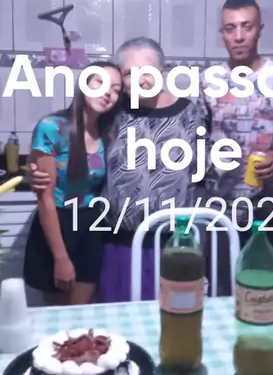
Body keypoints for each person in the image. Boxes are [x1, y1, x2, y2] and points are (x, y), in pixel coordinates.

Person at [29, 38, 209, 302]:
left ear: (163, 71)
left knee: (173, 312)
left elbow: (202, 175)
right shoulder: (113, 112)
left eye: (146, 71)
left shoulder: (191, 115)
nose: (139, 81)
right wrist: (33, 170)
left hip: (172, 242)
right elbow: (72, 137)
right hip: (116, 242)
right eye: (128, 73)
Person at [204, 0, 273, 292]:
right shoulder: (208, 81)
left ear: (259, 29)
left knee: (264, 292)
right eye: (230, 28)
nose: (238, 36)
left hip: (264, 207)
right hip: (218, 209)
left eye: (246, 27)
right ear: (222, 33)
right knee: (220, 292)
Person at [23, 61, 122, 306]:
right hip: (57, 224)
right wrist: (61, 258)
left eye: (116, 89)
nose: (108, 93)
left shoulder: (109, 131)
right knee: (57, 317)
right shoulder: (52, 127)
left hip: (91, 227)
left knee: (81, 312)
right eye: (101, 82)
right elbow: (45, 197)